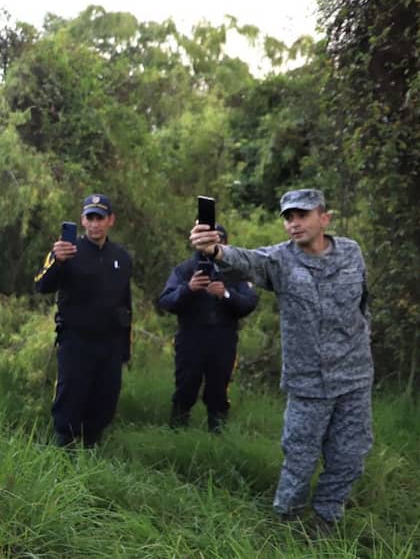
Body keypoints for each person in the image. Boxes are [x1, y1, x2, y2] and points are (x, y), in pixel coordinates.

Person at [189, 188, 372, 528]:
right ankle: (286, 522)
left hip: (354, 379)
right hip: (308, 383)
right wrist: (213, 248)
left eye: (302, 214)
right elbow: (245, 258)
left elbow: (363, 305)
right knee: (300, 459)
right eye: (288, 217)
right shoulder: (279, 261)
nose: (294, 223)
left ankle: (325, 521)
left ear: (324, 218)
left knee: (350, 457)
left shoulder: (351, 252)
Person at [34, 194, 133, 448]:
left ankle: (91, 451)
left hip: (110, 343)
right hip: (76, 341)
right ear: (82, 220)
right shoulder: (66, 252)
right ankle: (63, 454)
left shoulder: (121, 257)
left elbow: (126, 304)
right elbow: (42, 285)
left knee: (104, 400)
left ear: (111, 220)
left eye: (100, 218)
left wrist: (125, 349)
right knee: (71, 399)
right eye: (90, 218)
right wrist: (58, 261)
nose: (95, 224)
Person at [158, 224, 258, 432]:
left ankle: (218, 436)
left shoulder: (235, 272)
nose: (213, 244)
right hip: (190, 338)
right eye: (208, 239)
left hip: (223, 339)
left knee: (218, 391)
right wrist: (189, 289)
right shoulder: (184, 269)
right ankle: (177, 433)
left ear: (225, 244)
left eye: (219, 240)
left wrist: (226, 295)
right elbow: (166, 301)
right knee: (186, 387)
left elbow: (249, 303)